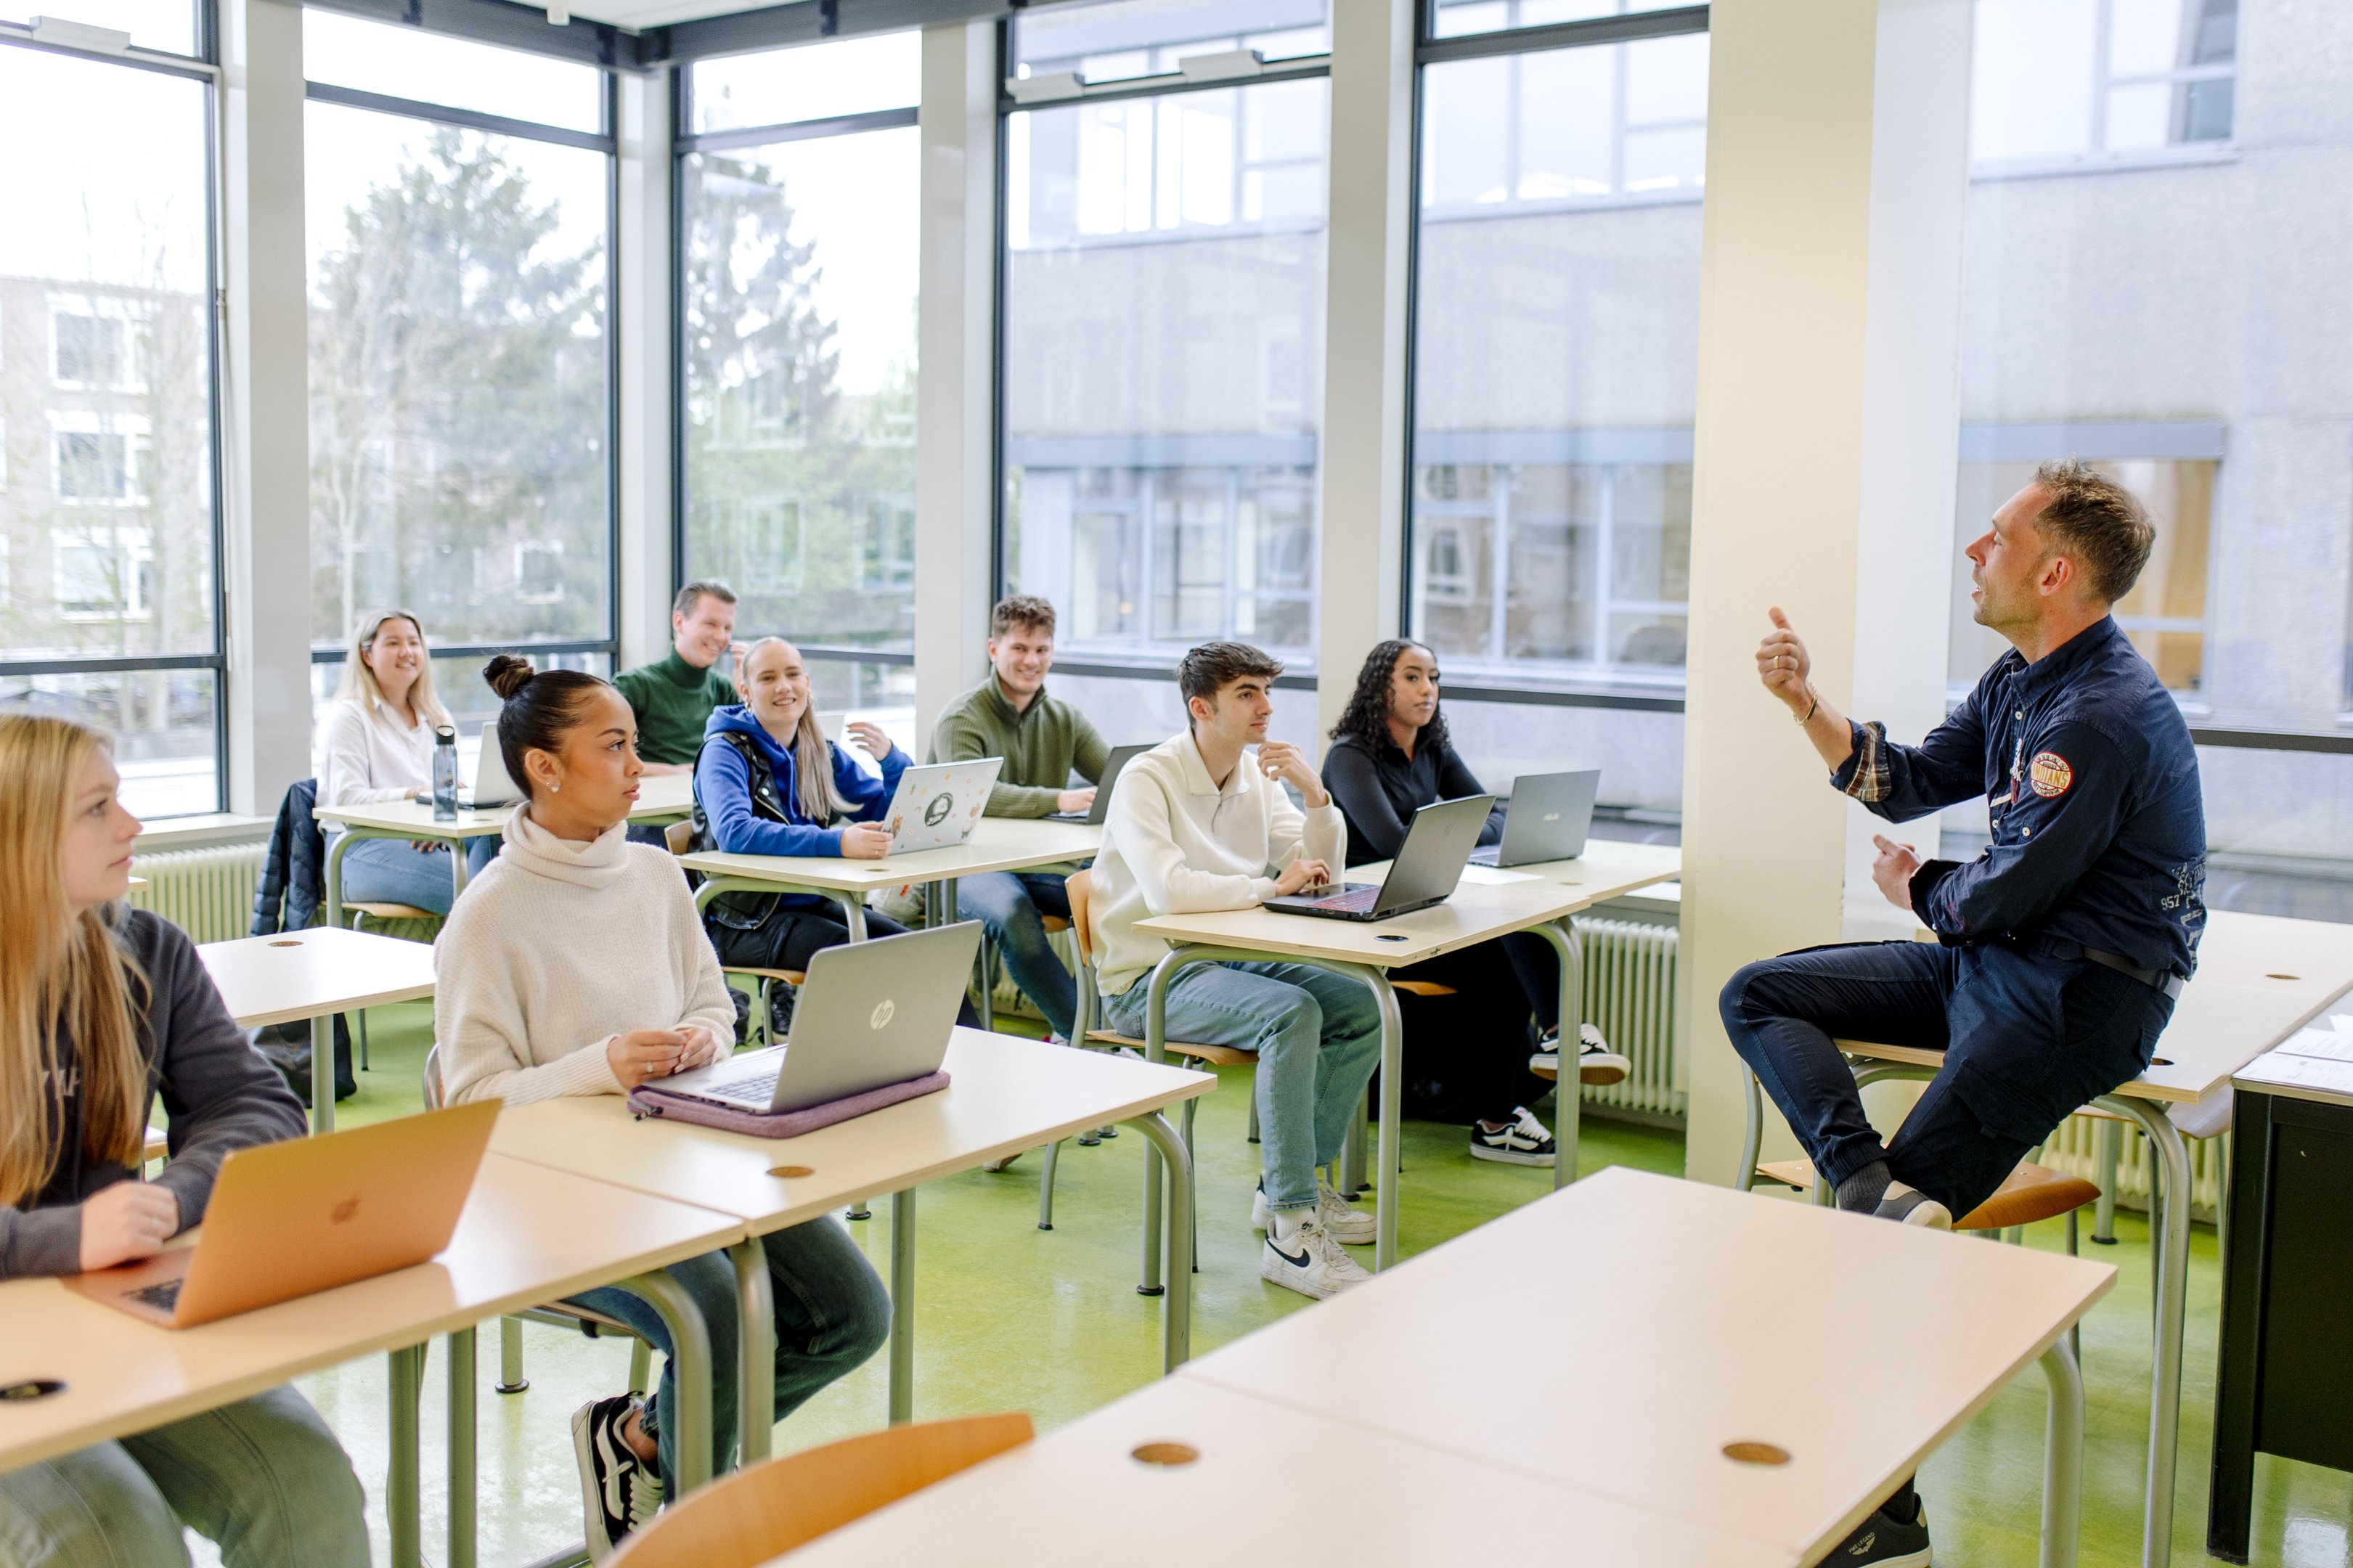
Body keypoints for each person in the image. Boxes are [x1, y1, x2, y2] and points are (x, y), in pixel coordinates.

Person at [1723, 459, 2204, 1568]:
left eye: (1993, 538)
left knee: (1878, 1256)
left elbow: (1999, 892)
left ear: (2055, 569)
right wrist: (1805, 701)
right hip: (1998, 959)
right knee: (1763, 993)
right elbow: (1906, 777)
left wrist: (1915, 891)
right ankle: (1860, 1173)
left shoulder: (2101, 716)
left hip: (2078, 995)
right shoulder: (2019, 678)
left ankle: (1878, 1522)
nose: (1973, 552)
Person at [435, 654, 889, 1564]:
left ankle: (644, 1439)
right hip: (549, 1197)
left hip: (684, 1160)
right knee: (716, 1310)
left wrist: (699, 1043)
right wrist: (596, 1065)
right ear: (545, 768)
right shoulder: (487, 918)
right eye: (615, 747)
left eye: (636, 743)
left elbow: (713, 1008)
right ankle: (694, 1532)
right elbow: (468, 1105)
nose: (640, 765)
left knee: (853, 1314)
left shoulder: (653, 875)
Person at [0, 714, 369, 1567]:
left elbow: (258, 1107)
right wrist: (68, 1236)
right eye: (98, 809)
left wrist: (171, 1197)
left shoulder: (146, 951)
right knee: (111, 1538)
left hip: (111, 1312)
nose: (131, 827)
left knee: (307, 1489)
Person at [1090, 641, 1382, 1300]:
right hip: (1148, 980)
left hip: (1222, 960)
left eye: (1265, 693)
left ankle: (1292, 1182)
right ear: (1201, 707)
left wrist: (1314, 795)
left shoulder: (1255, 775)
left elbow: (1317, 872)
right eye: (1247, 694)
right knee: (1293, 1012)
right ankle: (1289, 1226)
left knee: (1360, 1007)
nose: (1265, 708)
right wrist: (1265, 889)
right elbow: (1168, 893)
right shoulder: (1146, 777)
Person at [1321, 639, 1631, 1165]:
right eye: (1413, 677)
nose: (1428, 690)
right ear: (1381, 687)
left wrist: (1454, 829)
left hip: (1426, 910)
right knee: (1505, 944)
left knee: (1509, 958)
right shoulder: (1350, 756)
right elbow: (1396, 843)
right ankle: (1554, 1041)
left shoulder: (1433, 748)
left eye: (1434, 678)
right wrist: (1465, 827)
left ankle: (1501, 1113)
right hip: (1368, 923)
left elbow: (1496, 817)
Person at [691, 638, 976, 1032]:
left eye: (792, 675)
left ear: (807, 683)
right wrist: (839, 843)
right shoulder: (724, 750)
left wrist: (891, 761)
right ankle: (888, 1065)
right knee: (868, 963)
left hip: (812, 902)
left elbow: (886, 815)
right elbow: (735, 833)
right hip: (747, 920)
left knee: (929, 956)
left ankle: (969, 1055)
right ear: (745, 691)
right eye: (768, 678)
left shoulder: (817, 750)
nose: (783, 687)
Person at [926, 594, 1112, 1047]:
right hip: (965, 866)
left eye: (1042, 650)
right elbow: (976, 797)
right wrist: (1061, 799)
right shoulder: (961, 718)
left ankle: (1112, 1027)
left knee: (1113, 896)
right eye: (1020, 649)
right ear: (994, 650)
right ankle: (1086, 1037)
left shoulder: (1064, 718)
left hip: (1038, 863)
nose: (1032, 661)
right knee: (1015, 918)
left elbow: (1113, 773)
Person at [319, 608, 493, 916]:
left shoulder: (436, 715)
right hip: (361, 847)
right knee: (485, 895)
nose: (407, 652)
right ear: (367, 655)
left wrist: (437, 825)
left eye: (414, 643)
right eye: (392, 643)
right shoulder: (348, 717)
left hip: (434, 840)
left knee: (510, 867)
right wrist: (418, 795)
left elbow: (456, 792)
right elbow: (347, 800)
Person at [613, 580, 742, 777]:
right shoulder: (633, 686)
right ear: (679, 622)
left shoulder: (726, 689)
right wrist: (670, 772)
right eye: (710, 624)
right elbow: (603, 756)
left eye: (727, 628)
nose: (721, 636)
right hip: (655, 801)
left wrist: (748, 694)